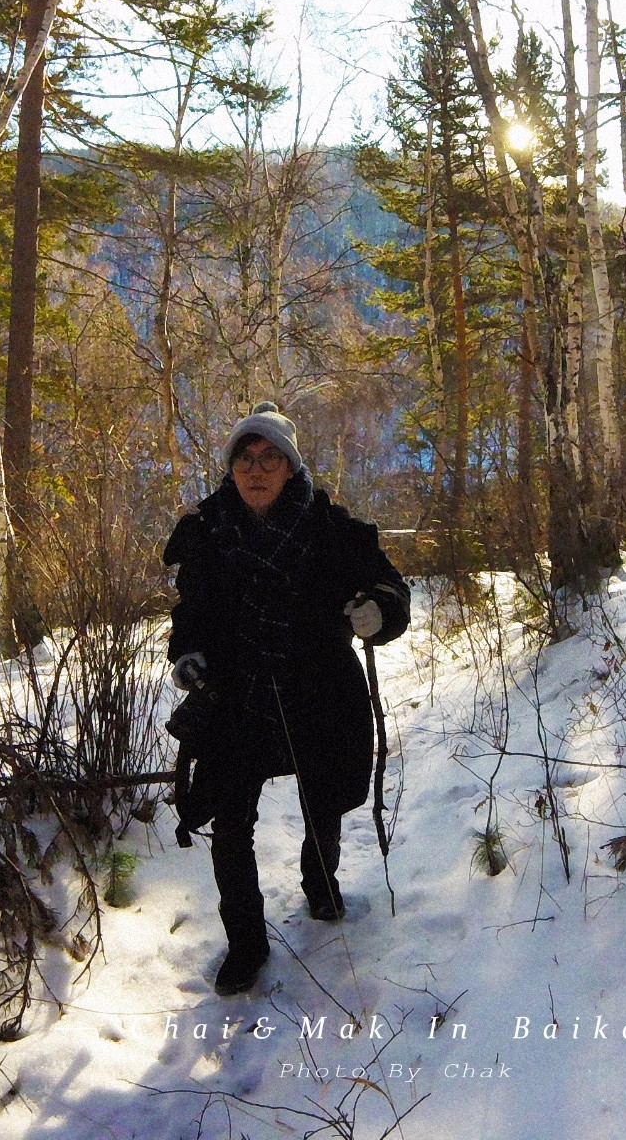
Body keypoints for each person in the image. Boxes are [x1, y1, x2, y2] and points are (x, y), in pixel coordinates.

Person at [162, 402, 409, 996]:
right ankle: (245, 942)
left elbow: (389, 584)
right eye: (246, 458)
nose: (257, 469)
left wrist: (379, 611)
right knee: (229, 820)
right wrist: (187, 652)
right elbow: (190, 613)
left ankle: (321, 884)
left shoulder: (330, 527)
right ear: (232, 467)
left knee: (322, 797)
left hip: (318, 688)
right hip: (236, 696)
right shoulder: (206, 533)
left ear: (291, 468)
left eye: (270, 457)